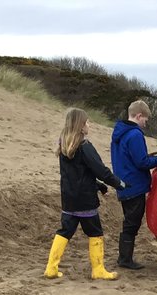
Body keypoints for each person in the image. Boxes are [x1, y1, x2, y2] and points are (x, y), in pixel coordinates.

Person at [44, 108, 124, 281]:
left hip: (69, 198)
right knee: (95, 232)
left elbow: (76, 174)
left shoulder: (64, 144)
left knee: (64, 231)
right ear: (80, 126)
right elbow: (100, 170)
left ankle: (51, 268)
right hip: (85, 200)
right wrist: (118, 183)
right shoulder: (84, 146)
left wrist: (98, 186)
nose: (89, 124)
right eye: (87, 122)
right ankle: (98, 269)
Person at [110, 100, 157, 270]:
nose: (145, 123)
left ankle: (124, 257)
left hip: (123, 182)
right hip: (135, 184)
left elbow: (131, 157)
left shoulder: (119, 133)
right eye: (145, 119)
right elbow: (142, 162)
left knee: (129, 221)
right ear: (139, 116)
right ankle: (125, 258)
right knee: (132, 222)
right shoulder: (135, 134)